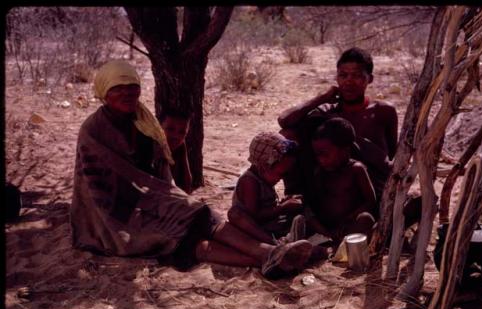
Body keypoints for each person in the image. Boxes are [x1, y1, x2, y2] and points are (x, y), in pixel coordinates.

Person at [70, 59, 313, 279]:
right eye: (118, 88)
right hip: (114, 212)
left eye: (132, 87)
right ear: (104, 92)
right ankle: (266, 257)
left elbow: (165, 177)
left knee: (201, 215)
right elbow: (96, 187)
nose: (127, 93)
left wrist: (167, 195)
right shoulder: (93, 130)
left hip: (152, 199)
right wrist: (158, 198)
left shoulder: (143, 123)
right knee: (183, 241)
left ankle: (271, 253)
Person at [278, 47, 397, 204]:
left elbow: (392, 151)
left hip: (370, 184)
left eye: (357, 76)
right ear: (336, 78)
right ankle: (296, 199)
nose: (349, 81)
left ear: (370, 79)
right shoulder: (328, 111)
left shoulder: (383, 111)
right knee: (288, 136)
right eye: (343, 75)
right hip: (332, 181)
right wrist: (322, 98)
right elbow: (285, 121)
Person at [307, 117, 377, 245]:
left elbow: (370, 201)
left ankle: (343, 245)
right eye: (317, 155)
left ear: (345, 149)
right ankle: (330, 241)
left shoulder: (356, 170)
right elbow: (316, 202)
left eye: (325, 154)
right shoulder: (320, 172)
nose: (321, 160)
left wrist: (349, 219)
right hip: (327, 229)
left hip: (349, 226)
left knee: (365, 219)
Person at [228, 132, 306, 245]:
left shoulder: (265, 178)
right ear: (264, 166)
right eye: (281, 173)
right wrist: (282, 207)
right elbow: (254, 216)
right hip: (254, 227)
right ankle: (275, 243)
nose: (283, 178)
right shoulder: (250, 182)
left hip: (269, 222)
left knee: (298, 214)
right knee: (237, 216)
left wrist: (285, 202)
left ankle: (289, 238)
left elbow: (268, 205)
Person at [157, 109, 193, 194]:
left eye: (182, 132)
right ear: (159, 127)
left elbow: (187, 181)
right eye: (170, 129)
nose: (176, 136)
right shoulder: (153, 147)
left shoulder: (180, 145)